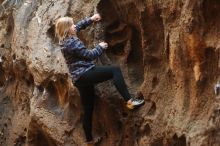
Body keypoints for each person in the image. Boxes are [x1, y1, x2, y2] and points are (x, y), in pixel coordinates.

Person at [55, 14, 145, 146]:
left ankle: (89, 141)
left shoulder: (64, 40)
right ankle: (130, 101)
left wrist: (91, 20)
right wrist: (100, 47)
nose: (75, 26)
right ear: (68, 29)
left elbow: (78, 27)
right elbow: (90, 56)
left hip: (78, 79)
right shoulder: (72, 43)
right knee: (114, 70)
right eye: (72, 25)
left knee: (88, 107)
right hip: (85, 74)